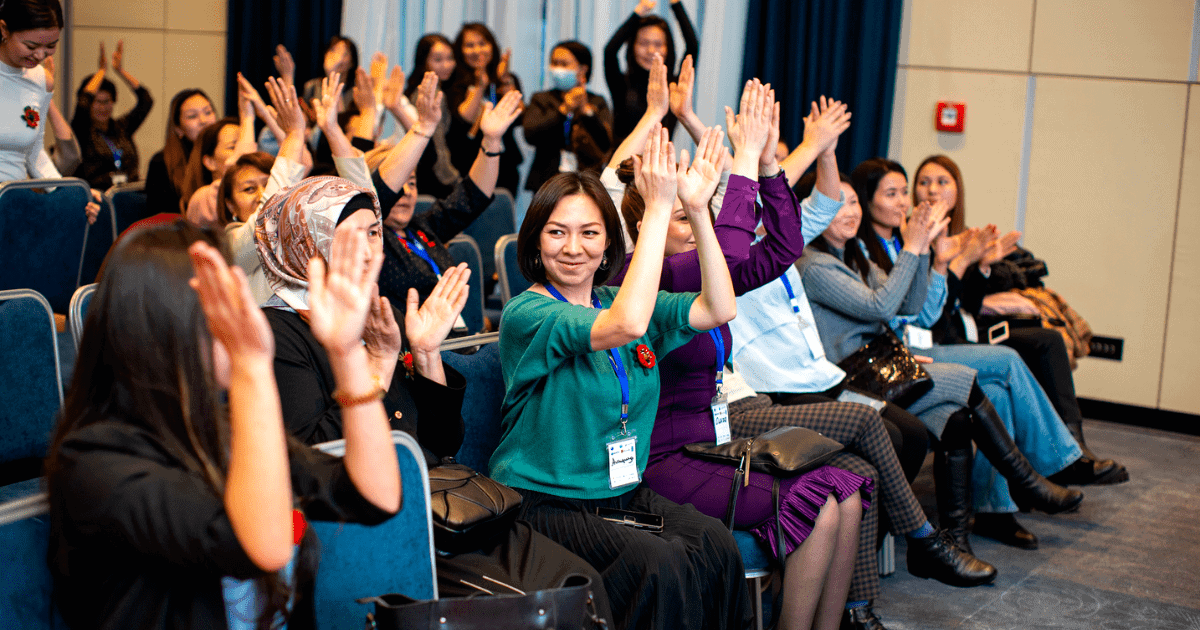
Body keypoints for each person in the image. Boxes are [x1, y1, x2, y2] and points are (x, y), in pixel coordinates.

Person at [254, 175, 612, 615]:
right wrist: (381, 367)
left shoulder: (373, 308)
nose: (370, 250)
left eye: (373, 233)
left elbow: (443, 442)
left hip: (444, 505)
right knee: (534, 608)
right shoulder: (277, 333)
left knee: (582, 584)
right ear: (306, 246)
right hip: (376, 526)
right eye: (349, 238)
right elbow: (315, 455)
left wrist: (425, 353)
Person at [46, 221, 402, 629]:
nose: (246, 316)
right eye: (225, 304)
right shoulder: (94, 462)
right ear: (168, 326)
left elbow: (375, 496)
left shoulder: (222, 429)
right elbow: (261, 547)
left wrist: (346, 353)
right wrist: (251, 365)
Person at [613, 84, 874, 630]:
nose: (700, 226)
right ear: (648, 226)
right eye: (688, 218)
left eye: (701, 215)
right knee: (822, 503)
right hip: (660, 459)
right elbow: (729, 252)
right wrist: (744, 164)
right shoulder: (647, 276)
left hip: (709, 444)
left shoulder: (701, 281)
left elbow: (780, 248)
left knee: (848, 490)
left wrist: (773, 164)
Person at [492, 128, 751, 630]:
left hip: (619, 493)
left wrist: (695, 210)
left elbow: (720, 307)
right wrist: (657, 208)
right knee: (659, 564)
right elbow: (626, 327)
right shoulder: (528, 312)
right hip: (548, 503)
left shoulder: (615, 299)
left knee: (712, 541)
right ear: (535, 239)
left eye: (589, 232)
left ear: (609, 240)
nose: (573, 248)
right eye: (556, 231)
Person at [797, 166, 1087, 558]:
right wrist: (916, 247)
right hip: (856, 380)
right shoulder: (815, 263)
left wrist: (933, 263)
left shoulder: (851, 256)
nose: (851, 212)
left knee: (961, 413)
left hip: (885, 364)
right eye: (840, 204)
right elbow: (881, 306)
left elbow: (913, 308)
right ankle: (1033, 476)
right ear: (813, 210)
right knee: (980, 373)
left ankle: (959, 538)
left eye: (852, 204)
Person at [910, 154, 1128, 546]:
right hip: (938, 342)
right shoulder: (914, 236)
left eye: (942, 182)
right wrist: (958, 264)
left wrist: (986, 264)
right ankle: (1058, 463)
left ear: (957, 189)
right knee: (1009, 364)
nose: (932, 190)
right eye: (924, 182)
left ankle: (998, 509)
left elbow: (969, 300)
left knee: (1019, 370)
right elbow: (927, 314)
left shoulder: (958, 234)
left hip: (962, 333)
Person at [369, 70, 522, 309]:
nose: (406, 193)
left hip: (455, 340)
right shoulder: (369, 237)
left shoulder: (422, 227)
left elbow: (473, 196)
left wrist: (491, 140)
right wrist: (423, 126)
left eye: (412, 183)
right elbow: (377, 198)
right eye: (400, 184)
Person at [0, 0, 99, 221]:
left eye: (51, 46)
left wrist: (71, 194)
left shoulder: (40, 81)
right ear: (4, 29)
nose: (40, 56)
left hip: (13, 207)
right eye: (31, 46)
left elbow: (33, 154)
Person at [523, 40, 613, 193]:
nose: (558, 69)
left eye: (564, 64)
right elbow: (530, 134)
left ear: (583, 69)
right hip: (546, 181)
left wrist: (586, 111)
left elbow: (605, 143)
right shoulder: (541, 99)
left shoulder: (597, 102)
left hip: (587, 181)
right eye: (554, 63)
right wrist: (563, 110)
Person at [604, 0, 697, 145]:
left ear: (668, 49)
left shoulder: (674, 86)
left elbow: (692, 46)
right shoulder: (621, 83)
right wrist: (639, 12)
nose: (651, 51)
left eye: (658, 44)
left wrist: (676, 4)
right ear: (632, 46)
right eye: (643, 43)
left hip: (661, 163)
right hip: (621, 164)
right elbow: (609, 52)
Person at [445, 23, 523, 195]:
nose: (477, 50)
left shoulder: (506, 78)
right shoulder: (453, 80)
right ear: (460, 50)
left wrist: (505, 81)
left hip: (505, 164)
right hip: (467, 163)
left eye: (482, 43)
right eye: (469, 45)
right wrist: (480, 86)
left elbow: (519, 118)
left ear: (492, 46)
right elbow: (462, 120)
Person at [71, 40, 153, 189]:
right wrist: (101, 71)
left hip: (128, 194)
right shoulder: (81, 129)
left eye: (107, 101)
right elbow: (83, 102)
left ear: (113, 101)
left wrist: (120, 70)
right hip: (97, 197)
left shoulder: (122, 127)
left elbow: (146, 101)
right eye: (97, 102)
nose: (102, 107)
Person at [401, 33, 459, 199]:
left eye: (450, 58)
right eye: (438, 59)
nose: (446, 65)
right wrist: (454, 179)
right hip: (430, 176)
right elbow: (437, 143)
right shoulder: (431, 93)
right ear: (424, 60)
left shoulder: (427, 89)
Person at [145, 88, 218, 214]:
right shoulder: (161, 162)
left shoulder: (223, 154)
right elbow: (160, 217)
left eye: (208, 112)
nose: (203, 121)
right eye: (192, 116)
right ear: (178, 129)